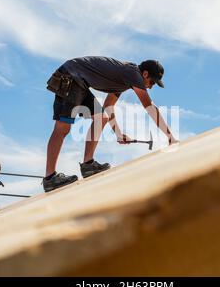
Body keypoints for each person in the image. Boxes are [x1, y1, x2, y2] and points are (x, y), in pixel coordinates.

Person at [43, 56, 178, 192]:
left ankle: (88, 165)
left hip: (80, 81)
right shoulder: (132, 74)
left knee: (102, 117)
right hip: (70, 76)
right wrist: (170, 137)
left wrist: (118, 134)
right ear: (145, 74)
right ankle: (50, 178)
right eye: (152, 82)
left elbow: (108, 106)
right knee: (62, 128)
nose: (150, 86)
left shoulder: (125, 79)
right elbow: (149, 106)